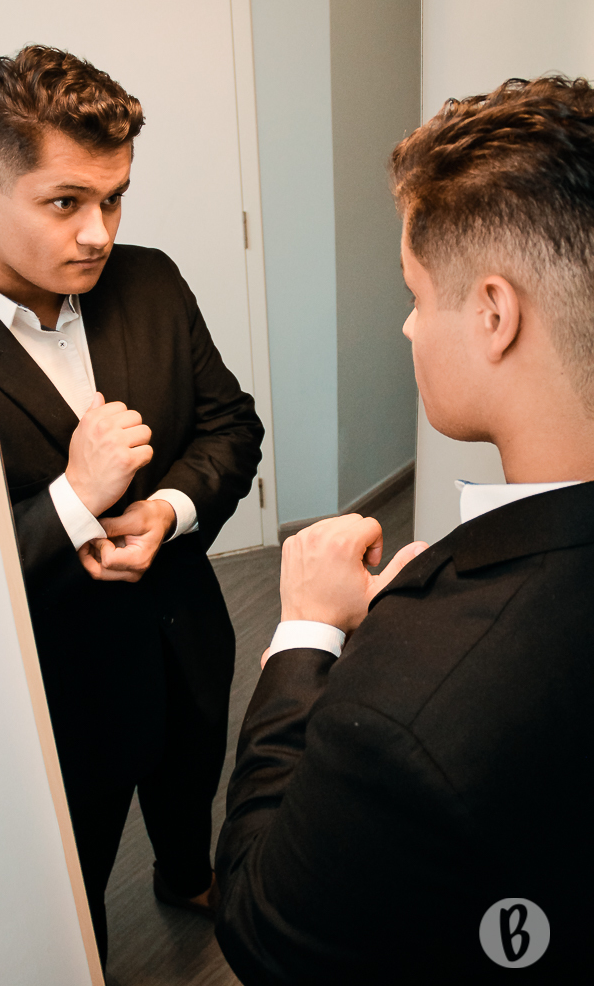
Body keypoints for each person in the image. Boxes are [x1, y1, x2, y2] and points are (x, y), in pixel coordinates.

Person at [214, 75, 594, 982]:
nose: (407, 326)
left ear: (495, 314)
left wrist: (308, 629)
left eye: (416, 293)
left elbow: (264, 927)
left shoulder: (405, 710)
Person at [0, 44, 264, 965]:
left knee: (189, 786)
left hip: (183, 636)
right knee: (74, 882)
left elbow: (231, 426)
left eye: (115, 198)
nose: (98, 233)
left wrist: (168, 508)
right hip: (56, 693)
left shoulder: (152, 280)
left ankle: (185, 873)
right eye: (66, 203)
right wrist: (73, 498)